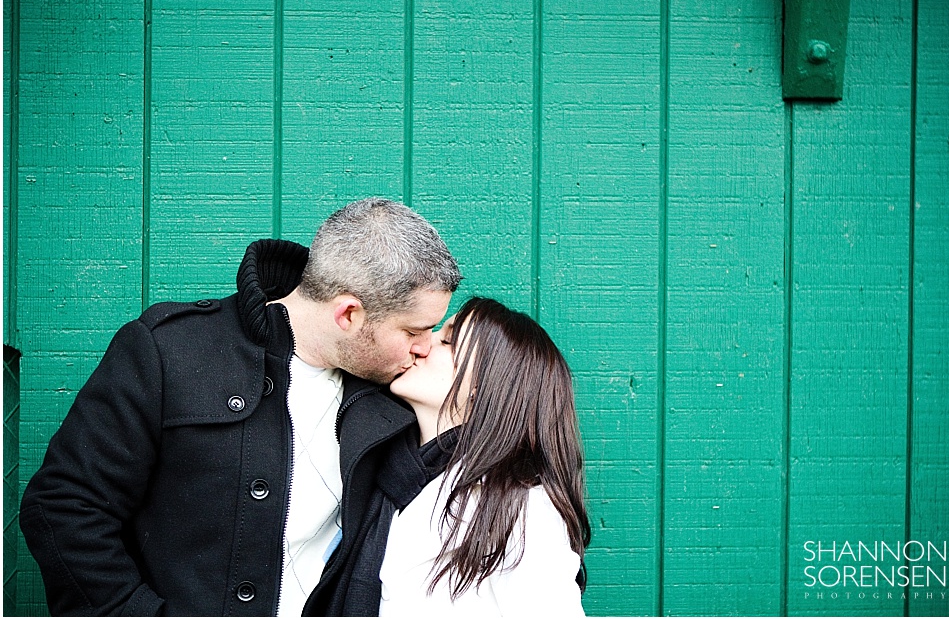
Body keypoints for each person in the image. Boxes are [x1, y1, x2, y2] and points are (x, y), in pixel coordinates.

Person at [19, 197, 462, 616]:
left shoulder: (395, 391)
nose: (424, 347)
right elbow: (65, 506)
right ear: (348, 314)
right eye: (413, 330)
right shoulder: (169, 349)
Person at [304, 297, 590, 616]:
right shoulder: (382, 478)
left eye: (448, 340)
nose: (423, 344)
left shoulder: (523, 510)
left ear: (483, 387)